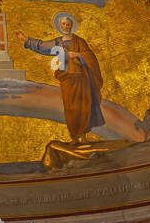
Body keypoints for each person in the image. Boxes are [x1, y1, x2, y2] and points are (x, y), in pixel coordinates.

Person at [15, 12, 104, 144]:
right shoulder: (57, 42)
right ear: (60, 26)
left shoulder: (80, 41)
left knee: (84, 106)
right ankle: (74, 137)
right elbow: (42, 46)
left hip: (82, 78)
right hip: (67, 79)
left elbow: (90, 57)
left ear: (71, 25)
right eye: (63, 24)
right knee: (71, 107)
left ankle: (84, 136)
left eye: (68, 24)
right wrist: (25, 39)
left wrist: (78, 55)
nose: (66, 26)